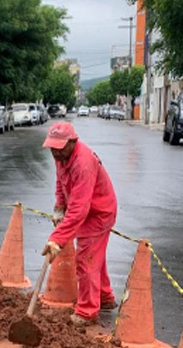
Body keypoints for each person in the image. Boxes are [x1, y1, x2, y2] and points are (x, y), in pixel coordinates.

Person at [41, 121, 118, 326]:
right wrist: (59, 206)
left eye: (58, 148)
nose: (55, 153)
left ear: (72, 142)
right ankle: (104, 297)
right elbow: (61, 181)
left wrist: (57, 239)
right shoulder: (62, 157)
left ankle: (86, 312)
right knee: (94, 257)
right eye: (52, 148)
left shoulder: (83, 164)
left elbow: (79, 210)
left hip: (99, 213)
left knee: (86, 259)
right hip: (89, 210)